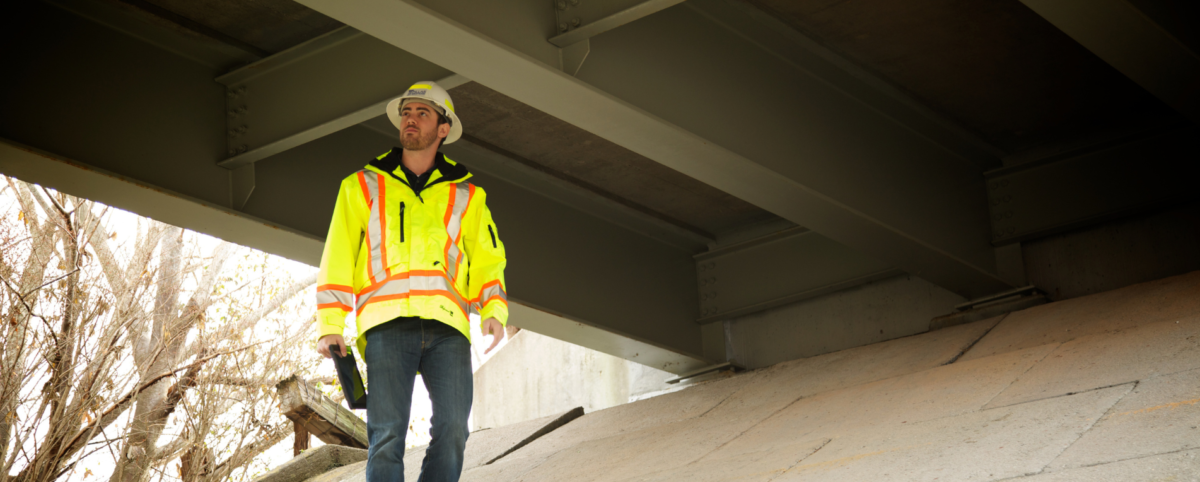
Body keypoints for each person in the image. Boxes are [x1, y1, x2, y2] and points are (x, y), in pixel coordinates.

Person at [314, 81, 508, 482]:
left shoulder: (467, 194)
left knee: (454, 429)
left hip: (448, 328)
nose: (410, 120)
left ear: (443, 128)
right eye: (406, 113)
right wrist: (330, 326)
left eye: (422, 113)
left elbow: (488, 259)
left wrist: (493, 310)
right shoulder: (361, 186)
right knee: (387, 437)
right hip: (386, 326)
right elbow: (337, 256)